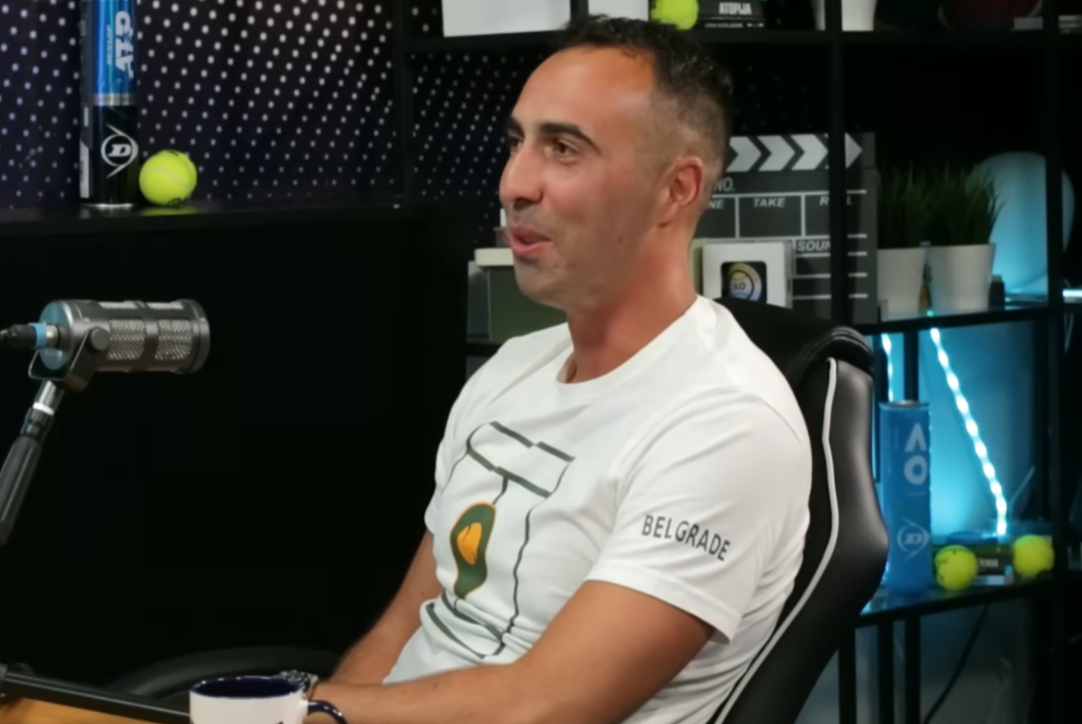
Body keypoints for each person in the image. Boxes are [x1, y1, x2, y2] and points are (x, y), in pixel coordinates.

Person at [306, 14, 811, 724]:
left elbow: (543, 707)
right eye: (517, 143)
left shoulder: (727, 422)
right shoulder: (511, 371)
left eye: (564, 149)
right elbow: (402, 629)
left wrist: (284, 714)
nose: (513, 183)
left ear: (677, 189)